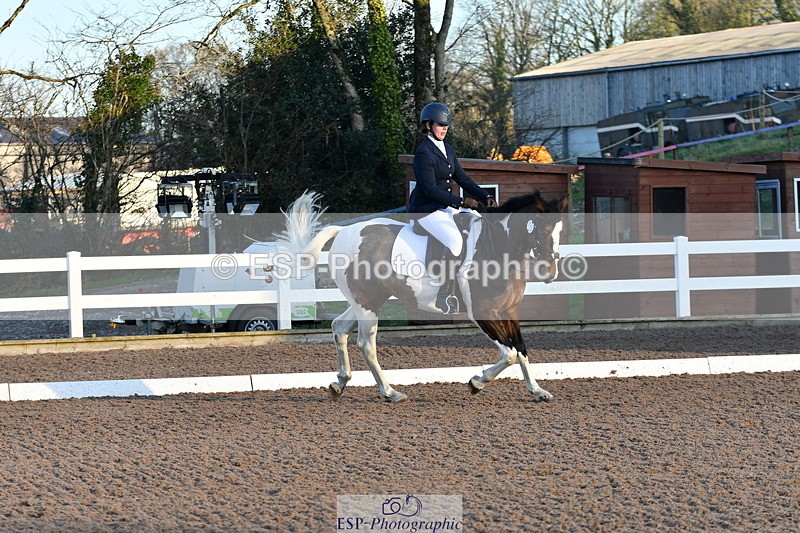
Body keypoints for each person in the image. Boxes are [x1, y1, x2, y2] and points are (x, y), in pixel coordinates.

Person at [407, 102, 497, 313]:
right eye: (440, 124)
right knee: (455, 241)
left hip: (444, 208)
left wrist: (485, 196)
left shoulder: (447, 149)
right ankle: (443, 294)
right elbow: (430, 190)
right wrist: (461, 202)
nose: (444, 128)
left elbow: (462, 178)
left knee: (476, 223)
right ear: (428, 125)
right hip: (426, 209)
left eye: (446, 125)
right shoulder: (423, 153)